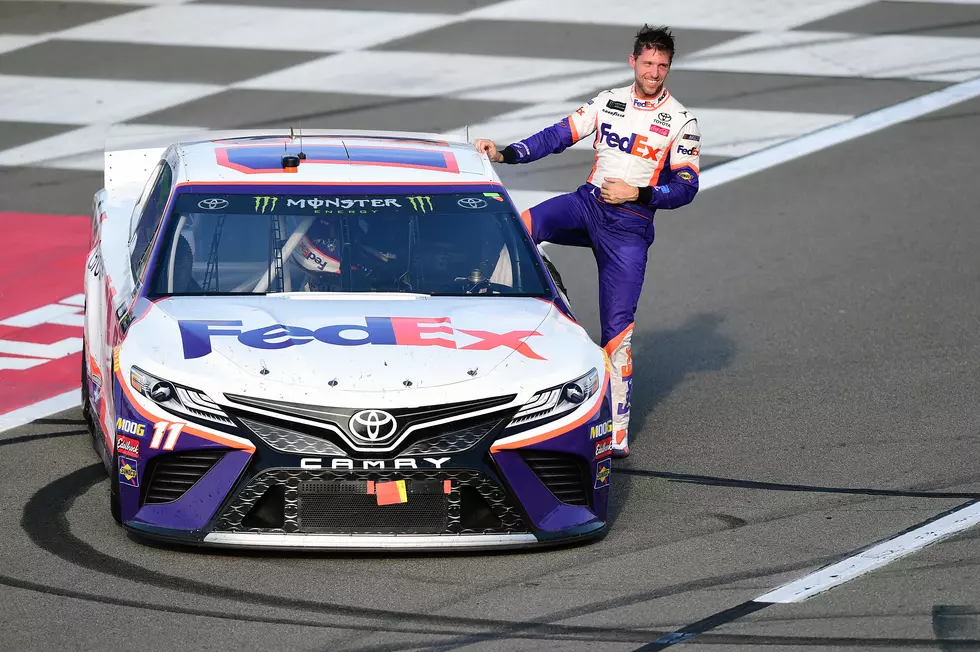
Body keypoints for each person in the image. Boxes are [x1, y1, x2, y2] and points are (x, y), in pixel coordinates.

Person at [474, 25, 701, 458]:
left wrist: (638, 194)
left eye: (662, 66)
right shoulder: (608, 100)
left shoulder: (681, 121)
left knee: (617, 331)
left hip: (629, 227)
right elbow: (557, 135)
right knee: (518, 227)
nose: (653, 72)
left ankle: (617, 431)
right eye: (647, 63)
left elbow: (687, 187)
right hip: (587, 205)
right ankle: (507, 317)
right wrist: (505, 153)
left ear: (669, 68)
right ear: (632, 61)